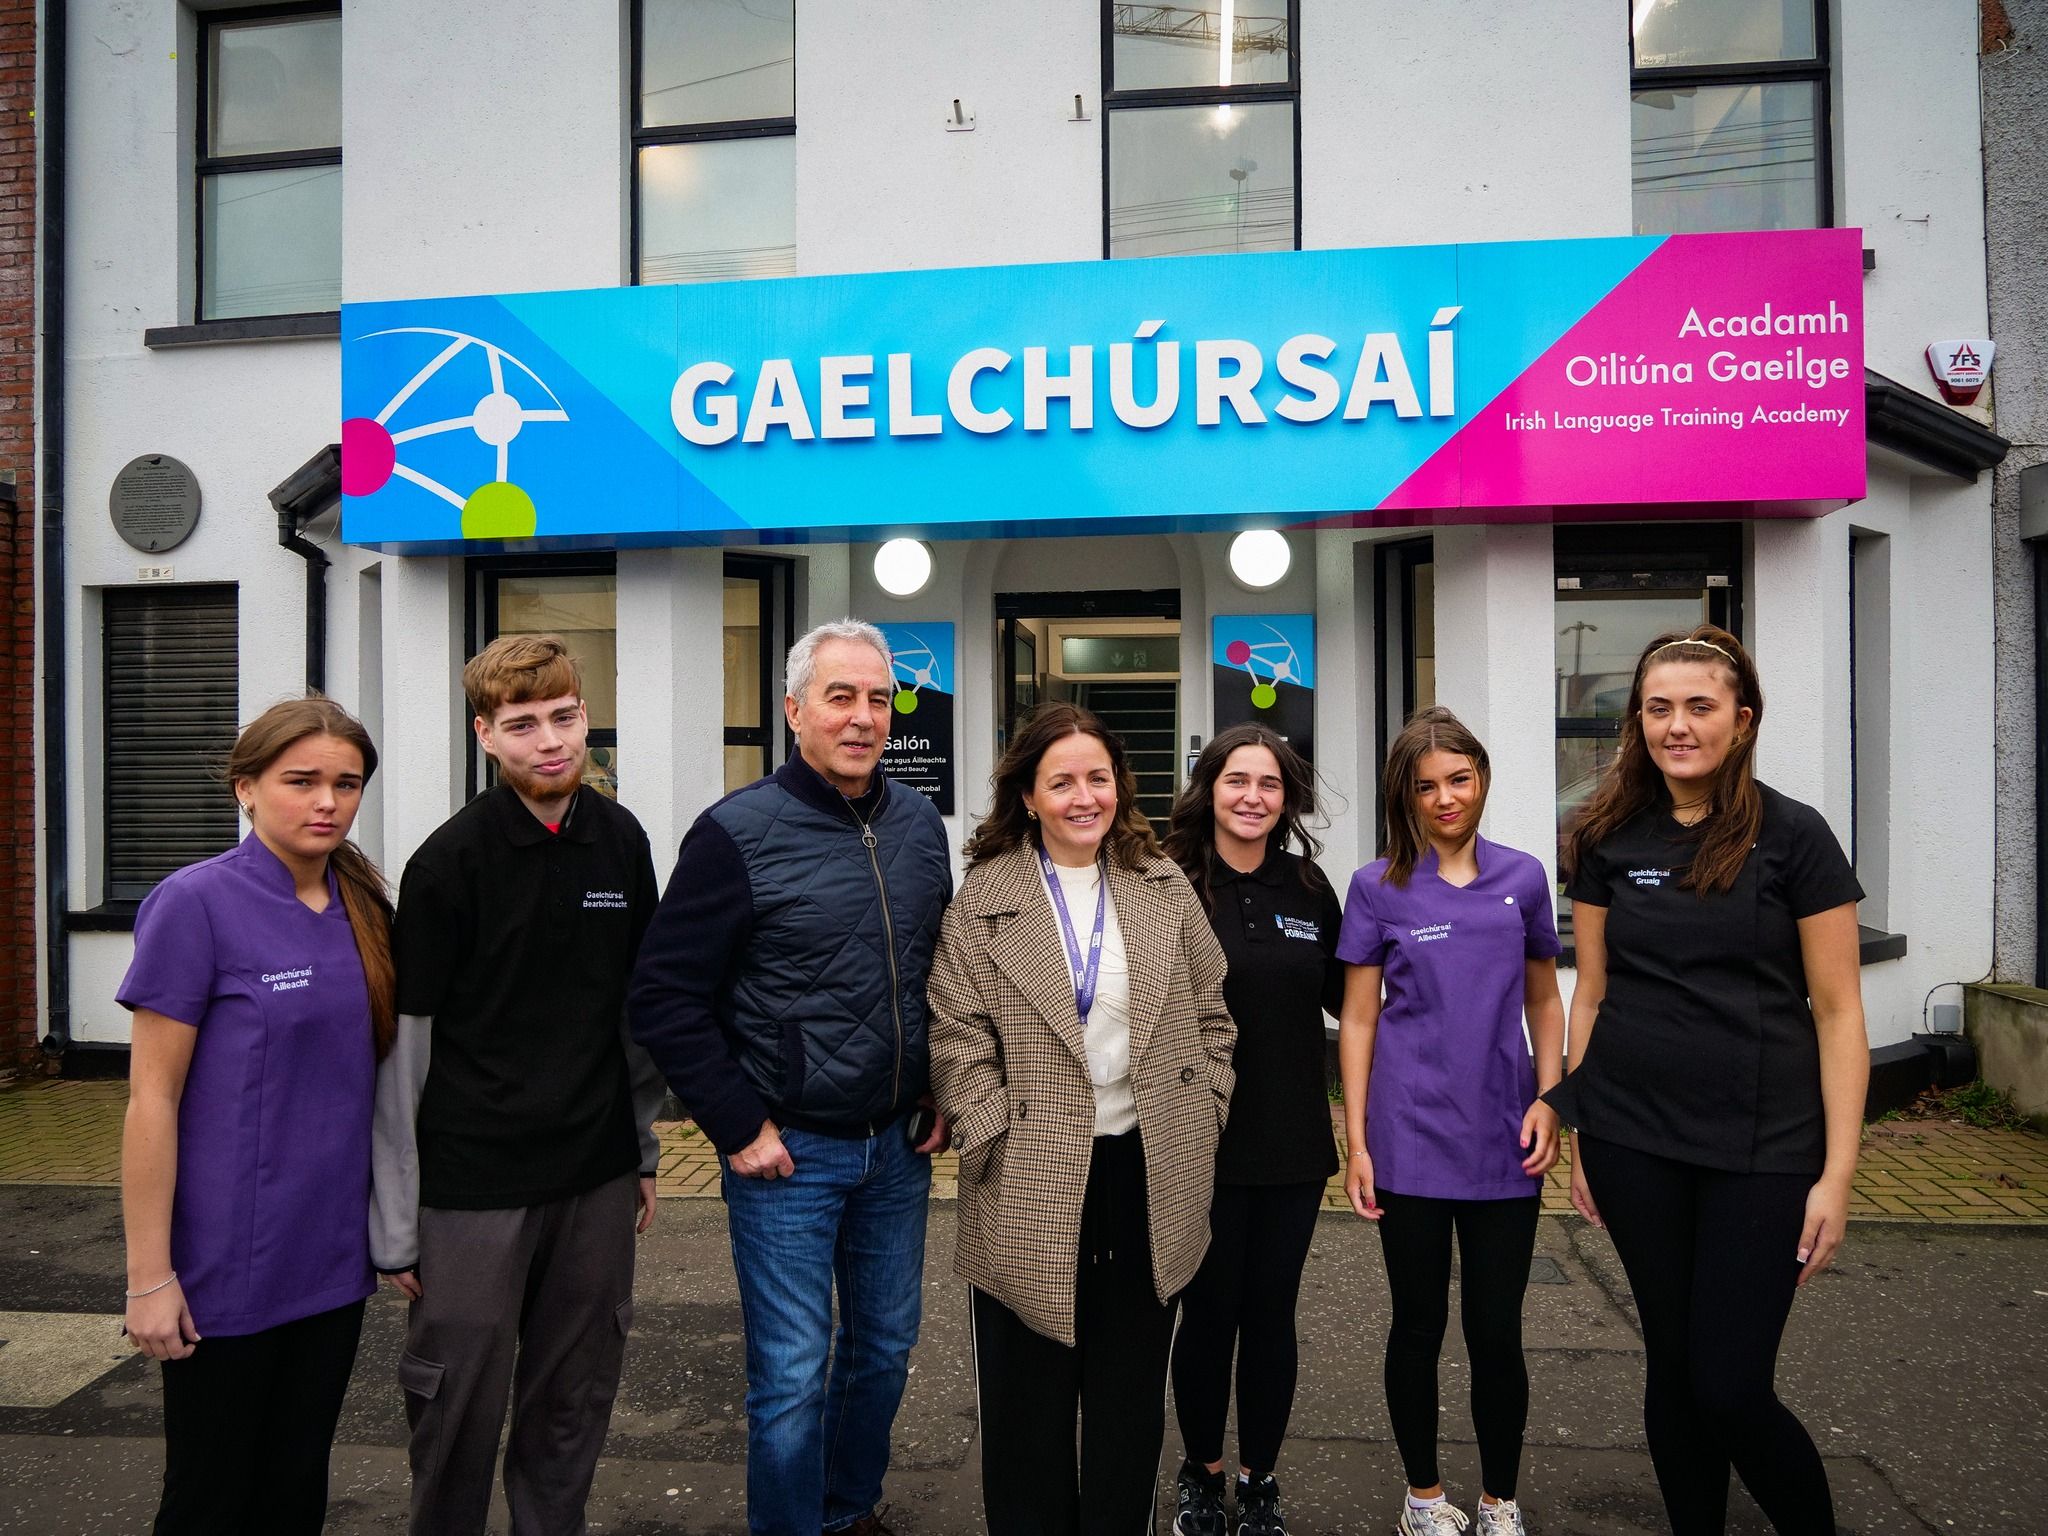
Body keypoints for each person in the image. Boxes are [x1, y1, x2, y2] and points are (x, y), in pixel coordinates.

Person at [629, 618, 953, 1536]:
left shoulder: (918, 825)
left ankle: (847, 1512)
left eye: (879, 699)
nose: (863, 717)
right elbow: (664, 995)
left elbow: (937, 971)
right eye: (839, 697)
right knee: (791, 1375)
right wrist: (737, 1125)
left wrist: (938, 1084)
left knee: (883, 1351)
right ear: (794, 710)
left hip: (896, 1149)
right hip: (787, 1156)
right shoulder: (735, 834)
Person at [1544, 627, 1866, 1536]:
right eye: (1659, 708)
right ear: (1637, 721)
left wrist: (1837, 1176)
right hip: (1633, 1136)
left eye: (1699, 706)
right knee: (1675, 1369)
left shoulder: (1795, 835)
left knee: (1730, 1383)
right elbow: (1591, 994)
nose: (1677, 726)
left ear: (1742, 719)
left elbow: (1840, 1013)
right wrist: (1583, 1131)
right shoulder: (1607, 837)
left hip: (1763, 1147)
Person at [372, 633, 667, 1536]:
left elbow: (636, 1014)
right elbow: (406, 1050)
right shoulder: (449, 863)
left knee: (574, 1395)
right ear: (486, 735)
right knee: (456, 1400)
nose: (550, 741)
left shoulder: (620, 840)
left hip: (594, 1174)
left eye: (564, 717)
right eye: (523, 724)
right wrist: (395, 1220)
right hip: (473, 1185)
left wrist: (641, 1151)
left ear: (586, 717)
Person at [929, 701, 1236, 1536]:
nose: (1083, 797)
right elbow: (956, 1035)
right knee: (1025, 1408)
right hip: (1028, 1170)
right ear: (1028, 796)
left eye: (1097, 778)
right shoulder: (984, 899)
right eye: (1060, 781)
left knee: (1128, 1404)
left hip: (1148, 1169)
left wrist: (1204, 1110)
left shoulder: (1162, 886)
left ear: (1119, 787)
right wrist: (991, 1130)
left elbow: (1213, 1014)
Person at [119, 696, 393, 1535]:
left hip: (332, 1259)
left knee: (295, 1489)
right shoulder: (194, 903)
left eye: (347, 784)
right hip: (225, 1268)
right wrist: (149, 1277)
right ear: (245, 788)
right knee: (209, 1499)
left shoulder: (364, 908)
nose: (327, 802)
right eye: (300, 781)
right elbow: (151, 1099)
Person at [1336, 707, 1566, 1536]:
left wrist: (1551, 1099)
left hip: (1505, 1137)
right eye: (1425, 786)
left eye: (1459, 779)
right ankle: (1424, 1499)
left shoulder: (1524, 878)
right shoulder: (1377, 886)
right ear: (1404, 795)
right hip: (1409, 1139)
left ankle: (1500, 1500)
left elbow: (1545, 999)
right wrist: (1358, 1142)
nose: (1445, 798)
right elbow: (1358, 1019)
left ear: (1483, 778)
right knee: (1418, 1325)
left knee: (1496, 1331)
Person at [1159, 724, 1343, 1536]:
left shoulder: (1308, 887)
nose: (1253, 797)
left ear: (1286, 797)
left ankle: (1259, 1478)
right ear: (1209, 788)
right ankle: (1201, 1473)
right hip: (1195, 1143)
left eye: (1269, 784)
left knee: (1272, 1315)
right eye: (1237, 780)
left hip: (1292, 1142)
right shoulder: (1165, 881)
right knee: (1208, 1315)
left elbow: (1354, 999)